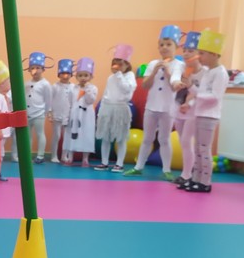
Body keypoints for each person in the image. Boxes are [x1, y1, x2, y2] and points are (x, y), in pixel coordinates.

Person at [124, 24, 186, 180]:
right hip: (151, 107)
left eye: (168, 44)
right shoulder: (152, 64)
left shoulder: (179, 65)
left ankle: (166, 170)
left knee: (164, 139)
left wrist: (167, 71)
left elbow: (174, 85)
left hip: (167, 109)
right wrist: (154, 72)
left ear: (176, 46)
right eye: (162, 44)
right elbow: (145, 85)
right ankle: (138, 167)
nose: (164, 47)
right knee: (147, 138)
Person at [179, 28, 228, 193]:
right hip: (200, 113)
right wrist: (191, 95)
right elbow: (200, 92)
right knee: (198, 148)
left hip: (209, 116)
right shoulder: (208, 72)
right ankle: (195, 179)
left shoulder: (220, 73)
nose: (199, 56)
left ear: (214, 54)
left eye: (202, 53)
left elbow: (214, 96)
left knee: (204, 149)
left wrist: (193, 90)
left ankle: (205, 182)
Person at [93, 44, 137, 172]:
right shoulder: (110, 78)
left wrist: (119, 75)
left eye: (120, 63)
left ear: (127, 64)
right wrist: (102, 110)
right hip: (108, 108)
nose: (117, 66)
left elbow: (127, 89)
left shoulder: (129, 76)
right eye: (115, 63)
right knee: (106, 137)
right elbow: (106, 94)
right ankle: (104, 162)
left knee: (121, 137)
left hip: (121, 109)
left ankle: (119, 163)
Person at [174, 31, 201, 186]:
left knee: (187, 141)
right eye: (184, 50)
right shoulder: (181, 67)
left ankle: (187, 174)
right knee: (183, 142)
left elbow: (197, 92)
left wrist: (188, 104)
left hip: (192, 111)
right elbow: (176, 81)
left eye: (190, 50)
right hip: (179, 108)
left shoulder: (201, 72)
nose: (186, 53)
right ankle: (186, 172)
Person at [63, 57, 98, 166]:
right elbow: (69, 103)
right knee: (72, 135)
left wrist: (87, 90)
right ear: (76, 76)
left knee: (86, 135)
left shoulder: (93, 88)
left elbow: (90, 100)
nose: (83, 78)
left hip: (87, 115)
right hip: (74, 115)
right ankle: (70, 157)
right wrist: (66, 117)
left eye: (86, 75)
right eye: (80, 75)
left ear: (91, 76)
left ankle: (85, 158)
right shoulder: (73, 88)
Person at [25, 51, 54, 163]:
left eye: (38, 68)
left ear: (43, 69)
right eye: (32, 68)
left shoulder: (45, 84)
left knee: (40, 133)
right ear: (29, 70)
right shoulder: (27, 83)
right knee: (27, 136)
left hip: (39, 113)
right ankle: (27, 154)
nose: (35, 70)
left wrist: (48, 112)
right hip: (27, 113)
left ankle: (40, 155)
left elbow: (48, 99)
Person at [49, 58, 76, 164]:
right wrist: (50, 112)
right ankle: (54, 155)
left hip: (68, 115)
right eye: (63, 73)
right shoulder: (55, 86)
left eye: (67, 74)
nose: (65, 76)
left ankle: (64, 155)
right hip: (57, 114)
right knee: (56, 135)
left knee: (67, 137)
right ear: (59, 74)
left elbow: (74, 101)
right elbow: (50, 100)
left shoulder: (73, 87)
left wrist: (74, 113)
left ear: (71, 75)